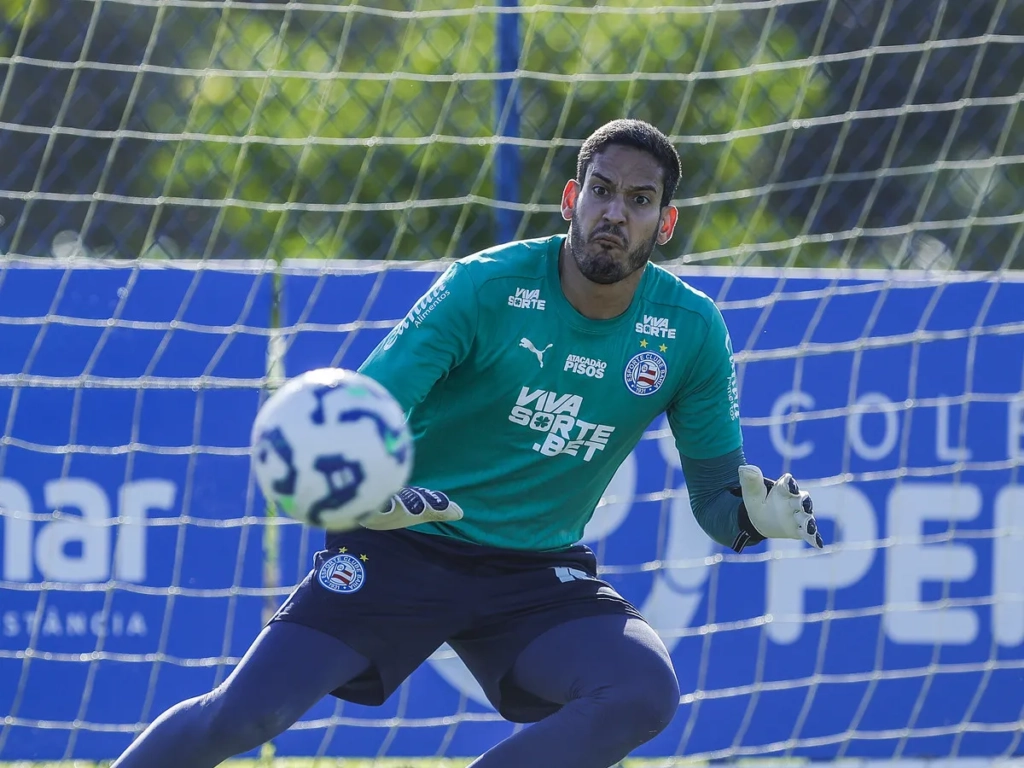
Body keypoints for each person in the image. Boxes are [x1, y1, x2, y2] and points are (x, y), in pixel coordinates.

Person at [111, 119, 824, 768]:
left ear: (664, 223)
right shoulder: (484, 287)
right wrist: (372, 493)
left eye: (639, 200)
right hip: (403, 539)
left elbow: (717, 496)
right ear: (571, 198)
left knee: (642, 690)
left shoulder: (691, 330)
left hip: (535, 573)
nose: (614, 213)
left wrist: (750, 518)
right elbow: (364, 410)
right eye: (601, 191)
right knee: (247, 715)